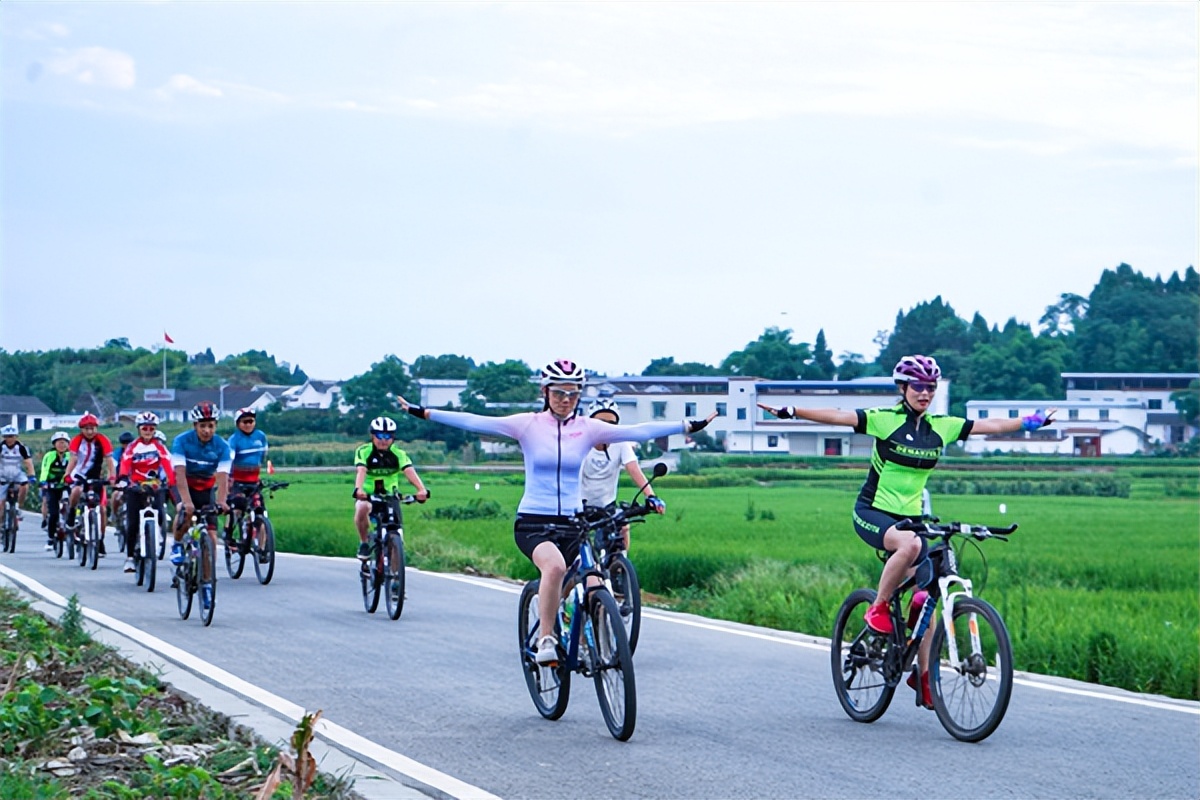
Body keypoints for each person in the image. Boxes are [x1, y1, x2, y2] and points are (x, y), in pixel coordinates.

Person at [758, 354, 1054, 708]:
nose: (925, 393)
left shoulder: (941, 427)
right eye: (918, 387)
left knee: (927, 598)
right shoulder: (886, 420)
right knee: (910, 546)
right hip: (873, 513)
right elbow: (838, 416)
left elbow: (988, 425)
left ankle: (924, 676)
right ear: (903, 388)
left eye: (930, 387)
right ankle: (878, 607)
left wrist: (1031, 422)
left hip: (914, 520)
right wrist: (793, 411)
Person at [397, 358, 715, 665]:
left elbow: (639, 431)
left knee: (596, 583)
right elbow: (474, 420)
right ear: (545, 392)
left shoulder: (589, 429)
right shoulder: (527, 425)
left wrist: (688, 425)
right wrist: (423, 412)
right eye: (559, 392)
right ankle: (546, 638)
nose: (566, 399)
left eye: (573, 393)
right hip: (534, 523)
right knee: (555, 567)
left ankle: (590, 642)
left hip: (574, 524)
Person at [578, 398, 665, 550]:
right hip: (580, 507)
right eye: (601, 423)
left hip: (606, 506)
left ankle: (620, 561)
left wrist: (651, 496)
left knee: (623, 527)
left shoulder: (620, 443)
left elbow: (633, 469)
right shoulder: (580, 443)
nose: (606, 428)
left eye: (611, 424)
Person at [169, 401, 232, 610]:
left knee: (211, 539)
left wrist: (222, 501)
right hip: (183, 485)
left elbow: (222, 477)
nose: (207, 430)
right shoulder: (181, 441)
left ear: (216, 426)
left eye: (211, 426)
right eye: (202, 426)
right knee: (185, 512)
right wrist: (186, 501)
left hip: (205, 488)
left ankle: (206, 583)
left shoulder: (222, 446)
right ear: (195, 425)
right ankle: (177, 544)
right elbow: (179, 475)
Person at [351, 416, 430, 558]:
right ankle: (364, 543)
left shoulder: (398, 454)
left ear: (393, 437)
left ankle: (395, 562)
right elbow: (361, 470)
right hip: (368, 494)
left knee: (396, 527)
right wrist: (359, 489)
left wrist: (421, 489)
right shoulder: (364, 451)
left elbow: (409, 471)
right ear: (372, 436)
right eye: (380, 435)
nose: (384, 440)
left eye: (388, 436)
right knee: (362, 507)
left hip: (390, 495)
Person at [114, 412, 176, 573]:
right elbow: (125, 463)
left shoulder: (159, 447)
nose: (148, 431)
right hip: (135, 485)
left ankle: (157, 536)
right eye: (145, 428)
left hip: (154, 485)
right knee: (133, 522)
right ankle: (129, 558)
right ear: (139, 429)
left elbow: (167, 464)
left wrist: (171, 481)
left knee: (160, 513)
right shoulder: (132, 447)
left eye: (151, 428)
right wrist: (123, 479)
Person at [63, 412, 117, 555]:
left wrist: (112, 477)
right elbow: (73, 459)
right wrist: (67, 475)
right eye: (86, 429)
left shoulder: (102, 440)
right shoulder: (77, 440)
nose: (90, 432)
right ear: (81, 429)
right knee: (76, 491)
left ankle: (100, 540)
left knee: (102, 510)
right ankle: (72, 513)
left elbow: (109, 461)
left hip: (95, 476)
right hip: (79, 474)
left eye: (92, 428)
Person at [225, 407, 269, 546]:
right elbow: (229, 460)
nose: (249, 424)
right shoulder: (234, 440)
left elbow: (263, 456)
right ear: (238, 424)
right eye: (245, 422)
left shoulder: (261, 436)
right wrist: (228, 480)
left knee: (261, 513)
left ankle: (262, 549)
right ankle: (228, 533)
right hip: (238, 481)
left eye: (251, 421)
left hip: (254, 481)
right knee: (237, 508)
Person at [39, 432, 72, 549]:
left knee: (74, 505)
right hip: (52, 486)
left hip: (66, 485)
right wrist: (43, 481)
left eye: (65, 442)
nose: (62, 445)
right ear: (54, 444)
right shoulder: (50, 455)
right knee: (53, 513)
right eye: (59, 442)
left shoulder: (71, 456)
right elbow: (45, 469)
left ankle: (73, 528)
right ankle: (50, 537)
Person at [0, 424, 38, 522]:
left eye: (12, 436)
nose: (9, 439)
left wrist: (32, 475)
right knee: (1, 503)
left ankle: (19, 506)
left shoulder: (21, 447)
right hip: (3, 474)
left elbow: (28, 462)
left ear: (16, 437)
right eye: (7, 436)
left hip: (17, 473)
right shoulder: (1, 447)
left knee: (25, 485)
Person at [109, 431, 136, 521]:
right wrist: (112, 480)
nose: (127, 446)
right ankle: (114, 514)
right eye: (124, 444)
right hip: (121, 480)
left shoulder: (138, 452)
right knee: (116, 495)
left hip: (135, 480)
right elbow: (112, 467)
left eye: (129, 443)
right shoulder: (117, 454)